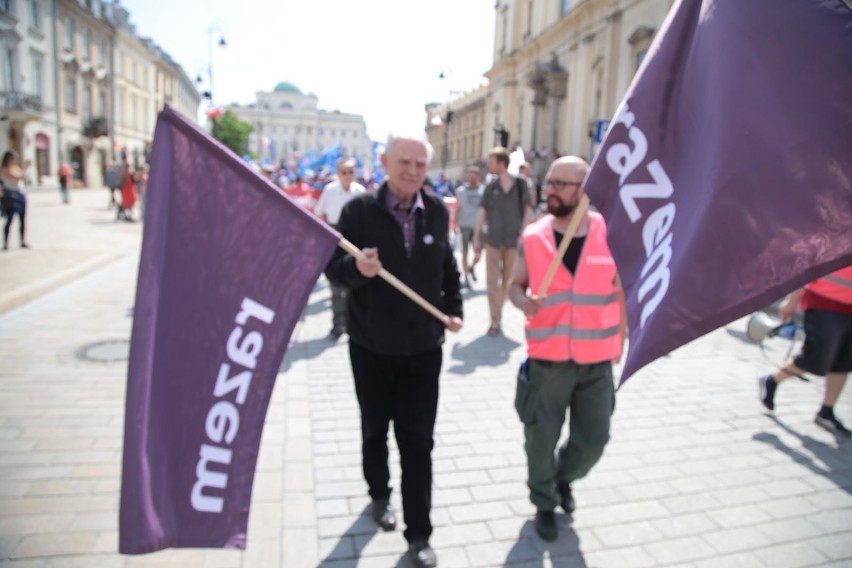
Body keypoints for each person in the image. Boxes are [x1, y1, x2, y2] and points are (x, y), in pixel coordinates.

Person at [325, 132, 464, 568]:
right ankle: (379, 494)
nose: (413, 171)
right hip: (371, 347)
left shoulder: (438, 212)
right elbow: (334, 270)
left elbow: (448, 268)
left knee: (418, 442)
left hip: (424, 350)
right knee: (374, 430)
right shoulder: (358, 212)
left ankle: (419, 534)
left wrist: (454, 310)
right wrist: (358, 269)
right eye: (405, 161)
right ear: (385, 161)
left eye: (421, 164)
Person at [508, 155, 626, 542]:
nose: (550, 190)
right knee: (539, 439)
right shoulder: (534, 236)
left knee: (594, 439)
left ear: (585, 191)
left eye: (561, 184)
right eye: (549, 182)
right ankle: (544, 502)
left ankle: (562, 478)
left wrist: (621, 339)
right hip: (547, 358)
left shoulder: (611, 234)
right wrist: (522, 301)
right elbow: (515, 285)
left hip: (597, 361)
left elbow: (623, 293)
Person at [759, 266, 852, 436]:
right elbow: (807, 264)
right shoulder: (833, 238)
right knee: (815, 356)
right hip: (824, 301)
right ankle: (772, 380)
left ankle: (826, 411)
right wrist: (791, 300)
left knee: (844, 362)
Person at [473, 146, 533, 336]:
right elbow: (482, 212)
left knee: (508, 281)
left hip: (513, 239)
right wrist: (476, 236)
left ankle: (498, 313)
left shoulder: (521, 184)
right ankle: (495, 319)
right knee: (492, 281)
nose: (488, 165)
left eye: (491, 162)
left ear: (501, 163)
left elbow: (527, 209)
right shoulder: (490, 187)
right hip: (493, 239)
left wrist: (524, 231)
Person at [315, 157, 366, 339]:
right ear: (338, 174)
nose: (348, 175)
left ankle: (352, 324)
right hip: (334, 236)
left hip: (354, 238)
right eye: (344, 172)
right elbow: (318, 213)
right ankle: (338, 324)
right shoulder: (330, 190)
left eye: (351, 171)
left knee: (355, 283)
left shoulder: (360, 191)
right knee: (336, 284)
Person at [453, 165, 484, 288]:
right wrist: (454, 223)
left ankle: (471, 267)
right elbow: (458, 208)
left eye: (475, 175)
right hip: (465, 224)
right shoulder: (461, 191)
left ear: (478, 177)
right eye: (470, 174)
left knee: (478, 254)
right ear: (467, 176)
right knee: (465, 252)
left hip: (478, 226)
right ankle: (466, 276)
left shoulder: (483, 191)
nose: (472, 177)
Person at [1, 150, 30, 250]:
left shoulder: (15, 168)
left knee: (22, 219)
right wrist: (26, 168)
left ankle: (22, 241)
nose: (16, 160)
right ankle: (5, 243)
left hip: (20, 195)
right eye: (14, 158)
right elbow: (19, 177)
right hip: (11, 196)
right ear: (8, 159)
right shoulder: (4, 169)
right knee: (9, 220)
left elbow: (22, 177)